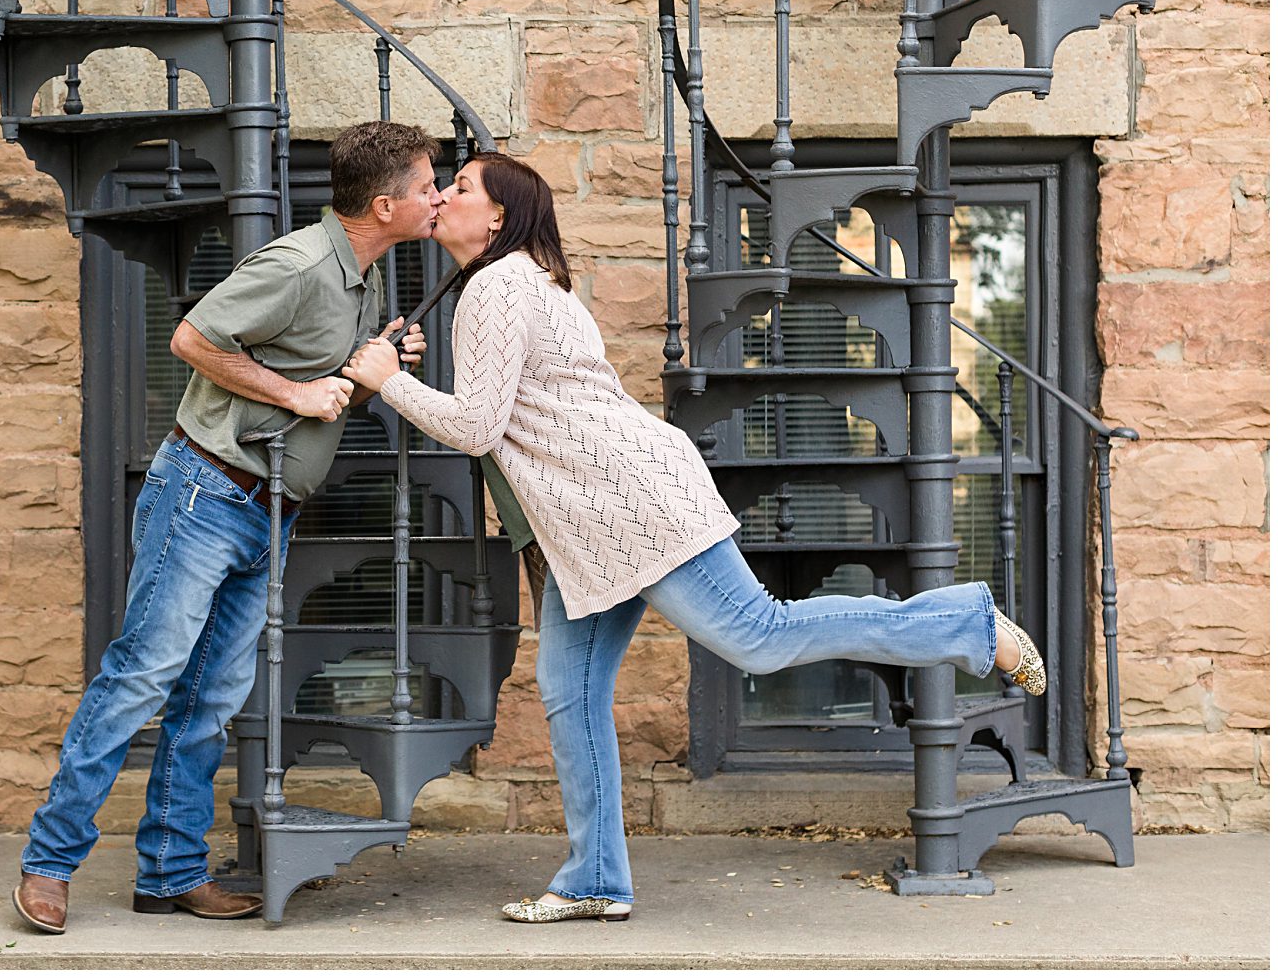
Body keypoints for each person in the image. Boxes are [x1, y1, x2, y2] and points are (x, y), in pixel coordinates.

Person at [341, 150, 1045, 924]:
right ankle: (595, 878)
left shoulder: (496, 287)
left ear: (500, 215)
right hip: (593, 528)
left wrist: (387, 380)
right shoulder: (516, 284)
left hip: (634, 506)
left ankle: (965, 622)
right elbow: (514, 411)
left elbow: (477, 427)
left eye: (462, 187)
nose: (442, 196)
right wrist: (401, 372)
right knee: (569, 692)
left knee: (760, 635)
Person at [13, 120, 445, 934]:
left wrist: (378, 357)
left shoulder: (365, 277)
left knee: (211, 696)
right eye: (429, 187)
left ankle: (170, 873)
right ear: (385, 204)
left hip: (268, 511)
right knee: (143, 676)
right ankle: (48, 861)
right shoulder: (299, 264)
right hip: (205, 495)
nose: (440, 198)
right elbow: (192, 337)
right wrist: (295, 396)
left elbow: (314, 372)